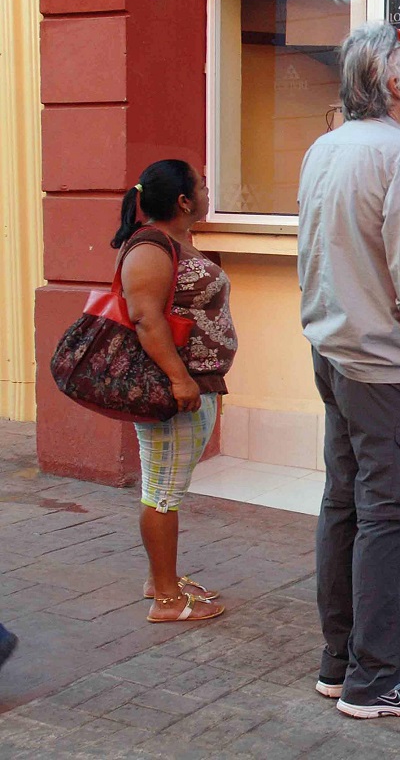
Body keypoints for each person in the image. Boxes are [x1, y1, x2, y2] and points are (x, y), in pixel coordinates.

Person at [298, 22, 400, 720]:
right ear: (391, 83)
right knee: (390, 517)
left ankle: (345, 660)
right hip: (387, 372)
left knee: (347, 507)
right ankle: (377, 677)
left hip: (333, 357)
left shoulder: (323, 149)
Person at [111, 160, 236, 625]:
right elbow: (145, 316)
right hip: (174, 391)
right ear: (184, 201)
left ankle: (161, 578)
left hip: (193, 386)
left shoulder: (175, 243)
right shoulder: (150, 246)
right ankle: (166, 598)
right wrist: (179, 378)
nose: (207, 192)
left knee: (164, 485)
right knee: (163, 491)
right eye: (202, 186)